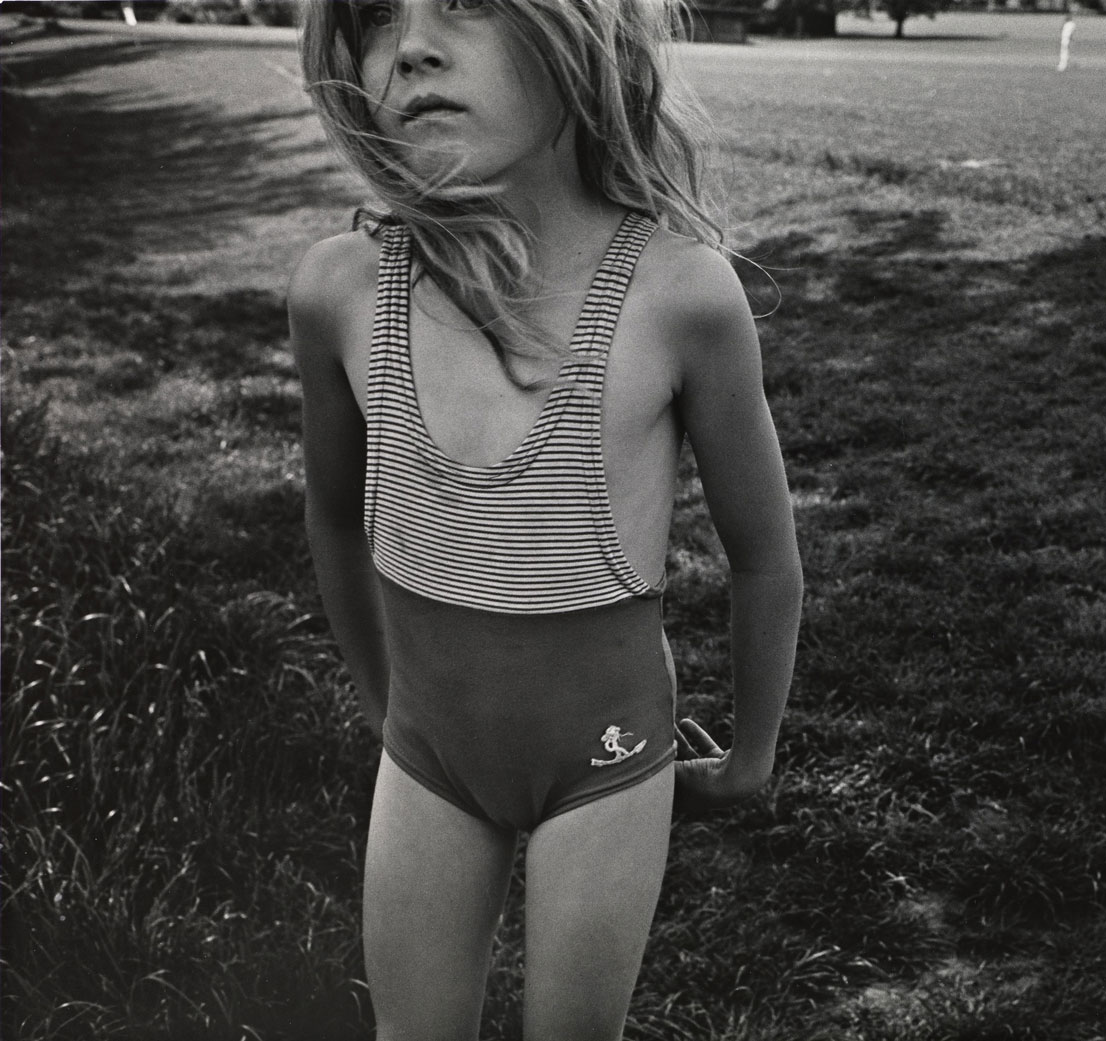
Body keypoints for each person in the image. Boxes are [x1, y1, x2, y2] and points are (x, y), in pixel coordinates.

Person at [289, 2, 804, 1039]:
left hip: (604, 764)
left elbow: (765, 560)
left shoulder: (677, 297)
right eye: (379, 17)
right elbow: (336, 526)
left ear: (582, 36)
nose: (413, 46)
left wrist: (751, 755)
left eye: (467, 5)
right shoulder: (342, 291)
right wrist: (385, 706)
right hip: (428, 756)